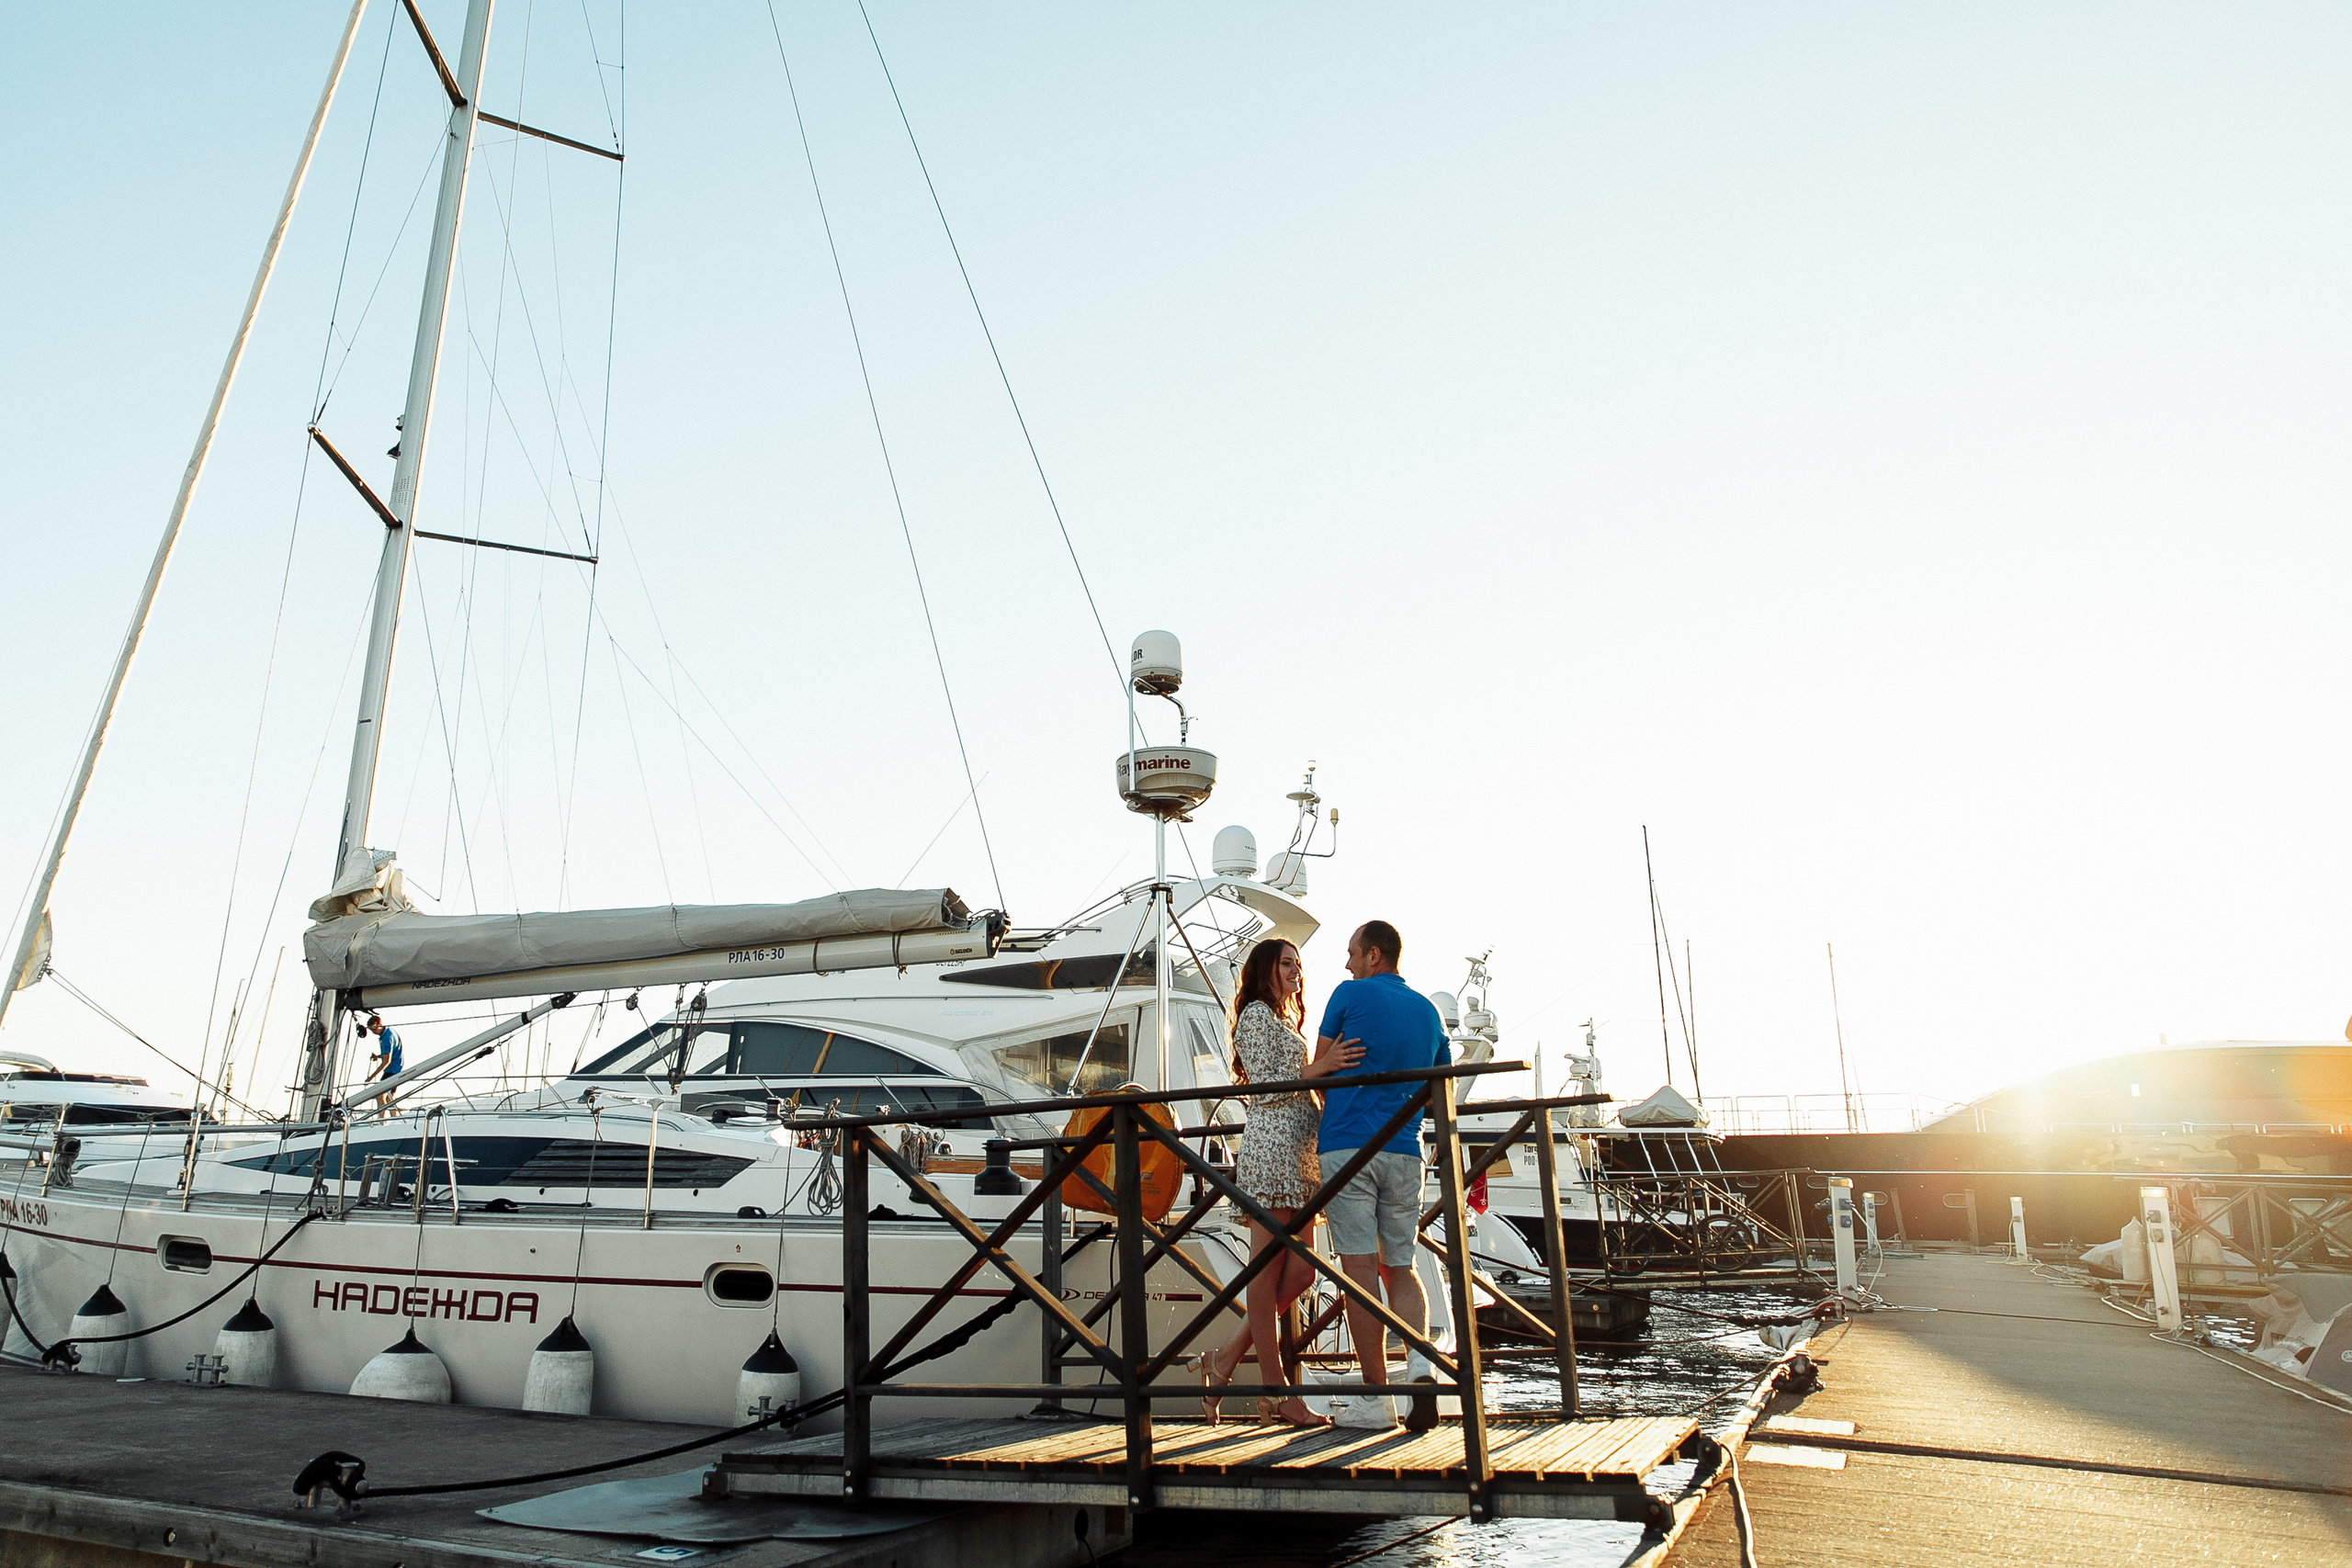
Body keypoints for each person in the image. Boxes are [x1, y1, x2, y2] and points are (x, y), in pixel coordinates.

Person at [1194, 939, 1360, 1427]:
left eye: (1298, 965)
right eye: (1287, 963)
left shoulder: (1286, 1020)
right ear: (1266, 968)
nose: (1296, 971)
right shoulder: (1255, 1016)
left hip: (1300, 1158)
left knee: (1302, 1273)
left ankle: (1224, 1360)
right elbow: (1268, 1086)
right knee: (1265, 1273)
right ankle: (1277, 1392)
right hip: (1271, 1153)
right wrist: (1322, 1066)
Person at [1315, 919, 1449, 1430]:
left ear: (1374, 955)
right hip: (1405, 1151)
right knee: (1400, 1266)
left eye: (1352, 952)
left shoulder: (1348, 994)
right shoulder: (1429, 1011)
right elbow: (1441, 1092)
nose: (1347, 963)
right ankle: (1419, 1367)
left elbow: (1320, 1065)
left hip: (1348, 1145)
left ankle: (1376, 1400)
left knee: (1360, 1272)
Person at [364, 1014, 403, 1081]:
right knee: (383, 1086)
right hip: (395, 1068)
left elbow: (387, 1061)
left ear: (379, 1025)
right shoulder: (388, 1030)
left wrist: (371, 1077)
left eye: (374, 1028)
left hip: (393, 1070)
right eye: (371, 1029)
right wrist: (379, 1056)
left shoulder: (387, 1038)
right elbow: (391, 1052)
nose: (373, 1031)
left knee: (381, 1087)